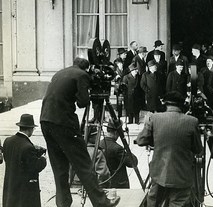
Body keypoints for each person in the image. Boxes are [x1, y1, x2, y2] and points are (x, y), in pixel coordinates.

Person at [40, 57, 120, 207]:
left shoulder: (60, 73)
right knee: (83, 164)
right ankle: (102, 203)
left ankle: (63, 203)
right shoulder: (81, 75)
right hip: (64, 123)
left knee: (59, 166)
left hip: (46, 121)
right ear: (86, 69)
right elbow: (82, 102)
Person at [135, 91, 203, 206]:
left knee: (153, 203)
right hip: (182, 175)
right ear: (182, 105)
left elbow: (141, 141)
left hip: (159, 174)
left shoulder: (154, 118)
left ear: (165, 104)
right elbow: (198, 149)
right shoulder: (192, 121)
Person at [3, 114, 47, 207]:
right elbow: (35, 166)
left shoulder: (7, 141)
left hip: (11, 186)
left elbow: (11, 158)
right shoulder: (27, 147)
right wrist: (43, 158)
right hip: (24, 192)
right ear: (30, 129)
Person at [100, 119, 138, 188]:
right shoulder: (117, 148)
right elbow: (133, 162)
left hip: (104, 184)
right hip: (118, 185)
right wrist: (126, 148)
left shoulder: (99, 144)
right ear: (116, 133)